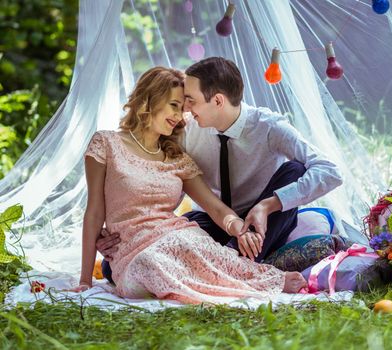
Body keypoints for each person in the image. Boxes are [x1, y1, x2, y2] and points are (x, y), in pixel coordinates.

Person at [73, 67, 306, 304]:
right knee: (151, 262)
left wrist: (240, 229)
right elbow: (94, 212)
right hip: (133, 249)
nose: (180, 116)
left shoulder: (177, 157)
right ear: (150, 99)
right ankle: (243, 277)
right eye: (174, 105)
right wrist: (85, 280)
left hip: (175, 236)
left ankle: (262, 278)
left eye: (183, 108)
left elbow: (215, 208)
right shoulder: (106, 143)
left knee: (193, 243)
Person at [98, 57, 343, 281]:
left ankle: (236, 265)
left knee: (295, 169)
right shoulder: (188, 132)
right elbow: (169, 185)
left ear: (217, 101)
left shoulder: (269, 127)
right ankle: (235, 262)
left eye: (191, 100)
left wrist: (267, 205)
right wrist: (129, 232)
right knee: (114, 266)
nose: (186, 108)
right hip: (218, 219)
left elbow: (330, 171)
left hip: (265, 221)